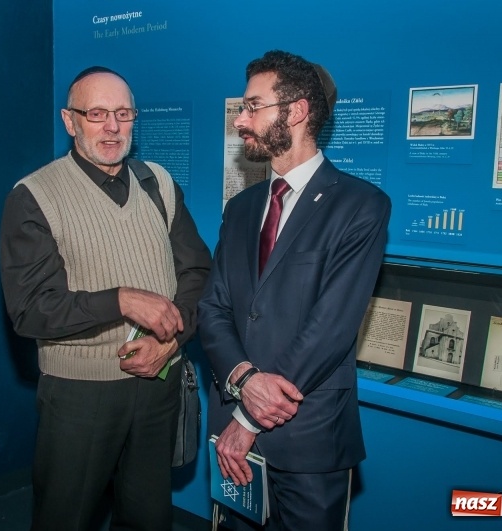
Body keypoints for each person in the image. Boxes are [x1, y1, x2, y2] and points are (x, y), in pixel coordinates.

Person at [0, 66, 211, 530]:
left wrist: (171, 343)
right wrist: (120, 300)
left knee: (149, 516)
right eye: (96, 113)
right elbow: (31, 309)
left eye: (123, 113)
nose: (112, 127)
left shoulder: (158, 183)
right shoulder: (35, 196)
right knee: (65, 516)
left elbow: (197, 273)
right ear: (69, 121)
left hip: (159, 382)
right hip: (80, 397)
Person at [199, 50, 391, 530]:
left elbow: (331, 328)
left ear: (297, 111)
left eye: (251, 106)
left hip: (307, 435)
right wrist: (244, 382)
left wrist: (248, 419)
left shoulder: (360, 206)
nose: (240, 120)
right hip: (231, 428)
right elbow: (213, 308)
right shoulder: (241, 208)